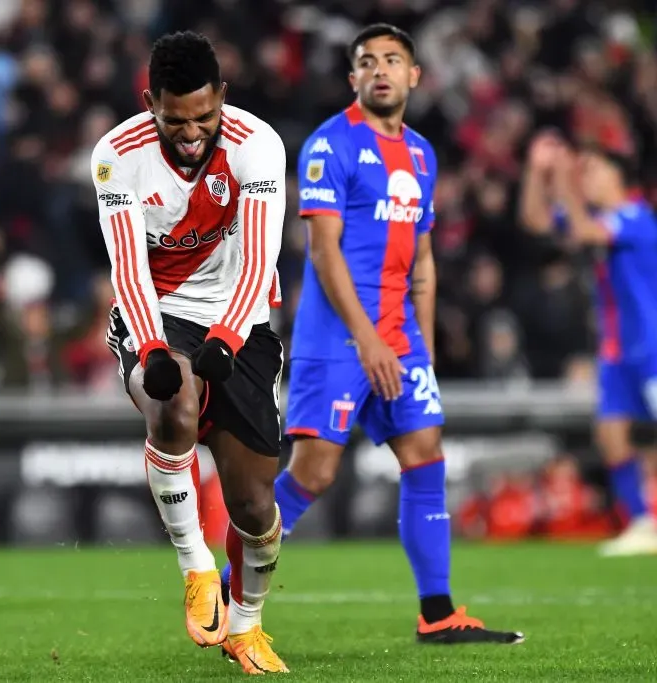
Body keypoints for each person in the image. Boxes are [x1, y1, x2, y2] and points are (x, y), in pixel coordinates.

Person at [218, 23, 523, 645]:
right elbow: (323, 252)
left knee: (425, 453)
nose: (380, 69)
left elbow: (423, 258)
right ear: (352, 76)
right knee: (313, 474)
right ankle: (225, 591)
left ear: (415, 75)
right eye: (367, 61)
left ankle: (438, 613)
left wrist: (421, 349)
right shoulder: (329, 145)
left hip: (400, 334)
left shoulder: (422, 154)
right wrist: (368, 338)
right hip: (336, 334)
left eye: (393, 59)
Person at [95, 31, 289, 673]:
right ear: (149, 103)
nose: (190, 133)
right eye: (175, 120)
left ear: (222, 98)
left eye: (204, 117)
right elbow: (127, 267)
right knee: (171, 401)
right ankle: (195, 566)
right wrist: (152, 348)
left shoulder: (257, 145)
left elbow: (260, 260)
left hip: (241, 316)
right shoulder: (115, 156)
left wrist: (227, 341)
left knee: (255, 507)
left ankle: (247, 627)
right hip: (159, 311)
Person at [520, 132, 657, 556]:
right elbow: (535, 221)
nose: (587, 179)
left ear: (619, 177)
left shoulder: (634, 217)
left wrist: (563, 177)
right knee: (611, 432)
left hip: (652, 345)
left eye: (594, 171)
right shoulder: (600, 218)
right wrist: (536, 171)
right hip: (618, 350)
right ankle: (643, 524)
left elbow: (581, 230)